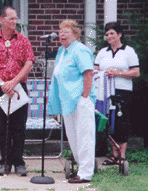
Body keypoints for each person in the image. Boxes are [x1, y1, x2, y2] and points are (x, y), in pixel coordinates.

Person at [0, 6, 34, 176]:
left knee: (19, 127)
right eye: (11, 18)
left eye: (15, 18)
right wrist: (2, 84)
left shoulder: (23, 40)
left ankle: (19, 162)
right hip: (0, 89)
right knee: (2, 128)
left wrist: (13, 82)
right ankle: (5, 162)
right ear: (1, 19)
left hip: (18, 87)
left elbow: (29, 63)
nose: (14, 22)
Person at [47, 19, 96, 183]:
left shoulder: (80, 50)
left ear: (76, 34)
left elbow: (89, 73)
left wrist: (84, 98)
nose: (62, 34)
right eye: (60, 31)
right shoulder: (62, 51)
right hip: (67, 102)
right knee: (73, 137)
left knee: (84, 136)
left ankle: (86, 173)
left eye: (66, 31)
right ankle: (82, 168)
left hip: (80, 100)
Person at [94, 21, 139, 165]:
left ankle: (122, 155)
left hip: (122, 91)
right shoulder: (102, 52)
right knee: (109, 121)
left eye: (112, 33)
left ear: (119, 34)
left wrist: (118, 73)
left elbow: (136, 72)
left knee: (121, 121)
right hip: (104, 91)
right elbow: (94, 70)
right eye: (107, 34)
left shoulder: (128, 51)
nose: (109, 36)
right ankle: (113, 155)